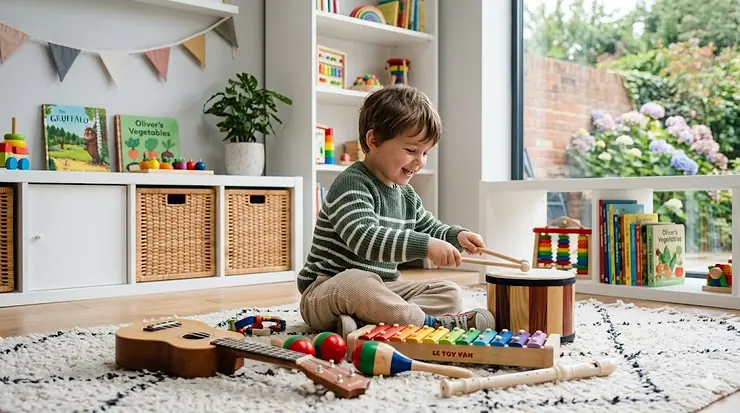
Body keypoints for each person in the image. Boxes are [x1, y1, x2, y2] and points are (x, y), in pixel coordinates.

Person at [298, 84, 495, 339]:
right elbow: (364, 238)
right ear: (374, 141)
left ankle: (366, 325)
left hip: (384, 290)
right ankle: (429, 324)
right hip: (327, 291)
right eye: (411, 150)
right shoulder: (352, 183)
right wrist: (426, 246)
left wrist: (456, 236)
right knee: (357, 283)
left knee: (448, 291)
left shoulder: (406, 195)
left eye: (425, 153)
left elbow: (429, 227)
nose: (420, 161)